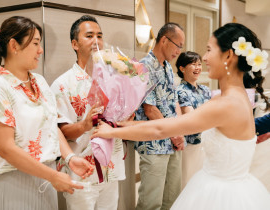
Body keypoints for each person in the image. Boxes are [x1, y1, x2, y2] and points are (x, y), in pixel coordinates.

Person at [92, 23, 270, 210]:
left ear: (228, 56)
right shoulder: (237, 97)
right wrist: (120, 124)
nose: (205, 59)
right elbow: (164, 120)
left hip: (220, 194)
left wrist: (112, 132)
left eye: (209, 50)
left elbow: (161, 128)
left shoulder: (226, 104)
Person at [0, 16, 93, 210]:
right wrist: (53, 176)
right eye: (36, 43)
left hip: (45, 179)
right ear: (14, 45)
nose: (41, 50)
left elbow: (51, 126)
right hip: (13, 183)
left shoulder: (39, 82)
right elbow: (6, 149)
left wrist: (70, 158)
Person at [50, 15, 125, 210]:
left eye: (99, 36)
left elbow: (122, 119)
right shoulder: (62, 84)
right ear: (75, 44)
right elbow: (61, 132)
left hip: (111, 165)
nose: (96, 41)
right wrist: (85, 124)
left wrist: (127, 115)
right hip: (81, 169)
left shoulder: (114, 79)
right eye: (89, 35)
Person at [133, 22, 185, 210]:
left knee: (172, 199)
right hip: (154, 143)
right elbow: (150, 109)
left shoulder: (168, 67)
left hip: (173, 140)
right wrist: (174, 133)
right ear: (164, 40)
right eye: (178, 45)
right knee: (151, 202)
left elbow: (174, 100)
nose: (179, 51)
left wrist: (179, 130)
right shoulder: (143, 66)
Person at [175, 51, 211, 187]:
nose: (198, 68)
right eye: (193, 64)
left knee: (204, 181)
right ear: (182, 68)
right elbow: (190, 116)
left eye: (199, 64)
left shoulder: (205, 90)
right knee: (189, 180)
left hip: (207, 140)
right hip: (191, 143)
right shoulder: (181, 91)